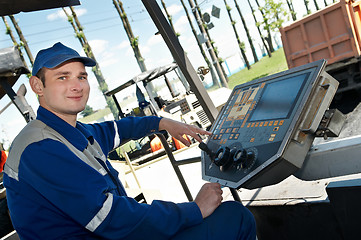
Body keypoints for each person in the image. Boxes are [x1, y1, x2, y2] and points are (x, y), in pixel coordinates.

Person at [3, 42, 256, 239]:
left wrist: (163, 123)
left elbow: (120, 128)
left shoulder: (73, 132)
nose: (76, 86)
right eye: (62, 77)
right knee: (236, 218)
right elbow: (111, 218)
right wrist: (194, 210)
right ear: (37, 86)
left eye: (81, 76)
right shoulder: (41, 147)